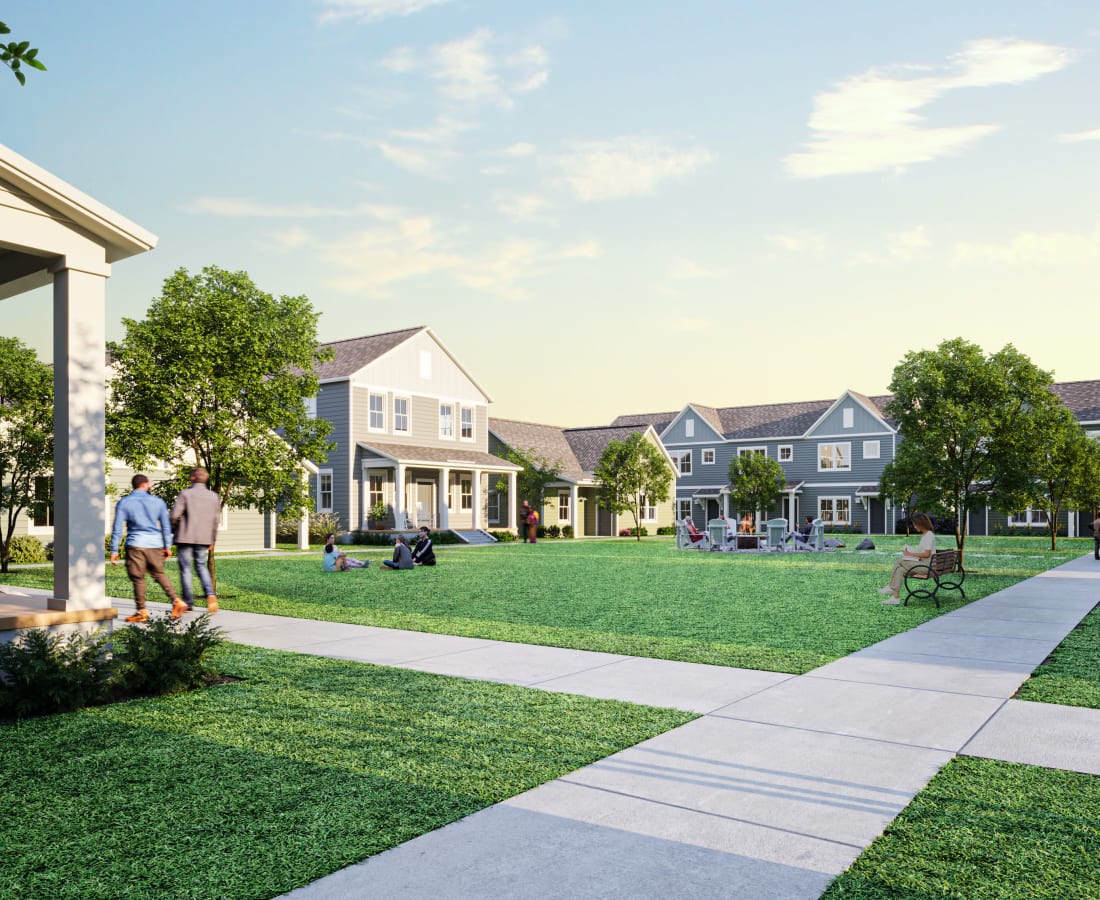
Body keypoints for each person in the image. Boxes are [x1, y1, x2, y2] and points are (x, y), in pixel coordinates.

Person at [110, 474, 180, 623]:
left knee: (138, 578)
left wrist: (114, 550)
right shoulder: (158, 502)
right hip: (155, 544)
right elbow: (166, 527)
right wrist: (167, 546)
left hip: (136, 544)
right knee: (158, 574)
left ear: (134, 485)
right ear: (146, 484)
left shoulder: (124, 502)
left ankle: (141, 611)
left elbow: (117, 528)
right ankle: (176, 600)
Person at [170, 466, 222, 617]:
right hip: (204, 538)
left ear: (192, 478)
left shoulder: (185, 494)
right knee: (201, 566)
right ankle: (210, 594)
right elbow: (216, 521)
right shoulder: (214, 497)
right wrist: (212, 539)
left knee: (186, 569)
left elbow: (174, 515)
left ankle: (188, 603)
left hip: (185, 536)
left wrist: (174, 529)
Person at [879, 513, 936, 605]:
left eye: (915, 524)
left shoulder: (929, 535)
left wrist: (910, 554)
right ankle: (895, 598)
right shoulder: (926, 535)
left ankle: (890, 586)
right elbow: (924, 553)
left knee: (900, 561)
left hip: (927, 567)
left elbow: (926, 554)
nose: (914, 526)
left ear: (921, 524)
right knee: (900, 570)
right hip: (924, 564)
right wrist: (911, 554)